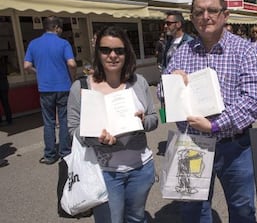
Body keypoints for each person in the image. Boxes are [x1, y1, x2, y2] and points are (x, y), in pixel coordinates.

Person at [162, 0, 257, 223]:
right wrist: (171, 83)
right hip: (191, 144)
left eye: (212, 10)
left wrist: (216, 125)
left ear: (224, 15)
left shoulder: (244, 50)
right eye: (199, 12)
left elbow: (255, 100)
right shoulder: (181, 54)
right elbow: (162, 94)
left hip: (234, 146)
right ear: (192, 17)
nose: (205, 16)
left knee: (242, 209)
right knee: (193, 211)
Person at [67, 26, 158, 223]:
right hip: (104, 173)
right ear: (98, 53)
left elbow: (154, 118)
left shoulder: (138, 82)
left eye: (119, 50)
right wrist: (94, 138)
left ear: (127, 53)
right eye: (106, 50)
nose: (113, 55)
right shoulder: (81, 87)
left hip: (141, 169)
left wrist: (143, 121)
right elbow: (72, 129)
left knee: (136, 218)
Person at [24, 16, 76, 165]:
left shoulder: (34, 44)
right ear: (57, 28)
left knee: (49, 122)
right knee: (64, 119)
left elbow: (26, 66)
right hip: (64, 86)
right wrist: (72, 79)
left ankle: (49, 155)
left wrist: (38, 71)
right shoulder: (63, 43)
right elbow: (71, 64)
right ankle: (65, 152)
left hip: (45, 88)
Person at [0, 55, 12, 125]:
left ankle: (0, 120)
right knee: (6, 103)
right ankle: (9, 119)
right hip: (4, 86)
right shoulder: (3, 65)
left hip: (2, 85)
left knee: (5, 104)